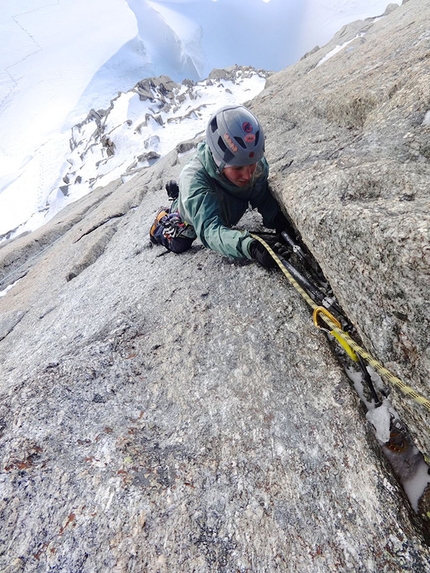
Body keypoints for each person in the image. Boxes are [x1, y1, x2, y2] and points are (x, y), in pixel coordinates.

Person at [149, 104, 296, 268]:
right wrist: (251, 248)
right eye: (237, 168)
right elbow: (210, 231)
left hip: (215, 199)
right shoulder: (195, 180)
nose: (247, 175)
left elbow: (261, 194)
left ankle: (179, 194)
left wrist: (278, 220)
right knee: (179, 244)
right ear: (219, 162)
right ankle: (163, 219)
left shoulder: (252, 161)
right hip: (193, 215)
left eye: (251, 165)